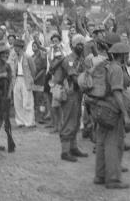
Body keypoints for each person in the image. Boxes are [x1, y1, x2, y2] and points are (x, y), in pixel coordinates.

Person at [93, 42, 130, 189]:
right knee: (113, 144)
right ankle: (113, 179)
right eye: (127, 54)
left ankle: (100, 175)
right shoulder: (116, 69)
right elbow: (117, 92)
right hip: (112, 111)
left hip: (101, 108)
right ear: (122, 55)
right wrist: (125, 114)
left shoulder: (107, 66)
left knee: (102, 142)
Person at [54, 34, 88, 162]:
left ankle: (73, 147)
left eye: (82, 44)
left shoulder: (80, 59)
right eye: (78, 44)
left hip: (77, 94)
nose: (81, 46)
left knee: (76, 119)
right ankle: (65, 151)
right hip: (69, 94)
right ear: (72, 45)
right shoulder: (69, 60)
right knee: (69, 120)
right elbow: (74, 77)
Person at [11, 39, 37, 128]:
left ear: (21, 47)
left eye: (16, 47)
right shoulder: (14, 57)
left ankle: (29, 122)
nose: (15, 48)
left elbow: (34, 70)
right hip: (17, 79)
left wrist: (31, 79)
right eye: (14, 46)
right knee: (17, 101)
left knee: (27, 101)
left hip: (26, 79)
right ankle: (20, 121)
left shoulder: (28, 57)